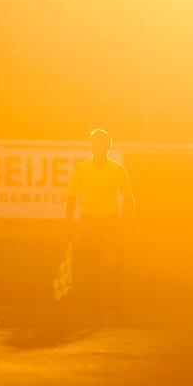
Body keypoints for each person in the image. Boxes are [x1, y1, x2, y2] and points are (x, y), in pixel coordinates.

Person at [64, 129, 135, 319]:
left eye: (102, 142)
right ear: (90, 146)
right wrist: (67, 223)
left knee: (113, 265)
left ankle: (113, 304)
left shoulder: (118, 169)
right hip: (89, 222)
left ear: (108, 146)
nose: (98, 146)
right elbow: (71, 197)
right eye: (94, 142)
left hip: (110, 221)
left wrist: (129, 223)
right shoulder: (81, 169)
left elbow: (128, 198)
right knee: (92, 265)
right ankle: (95, 306)